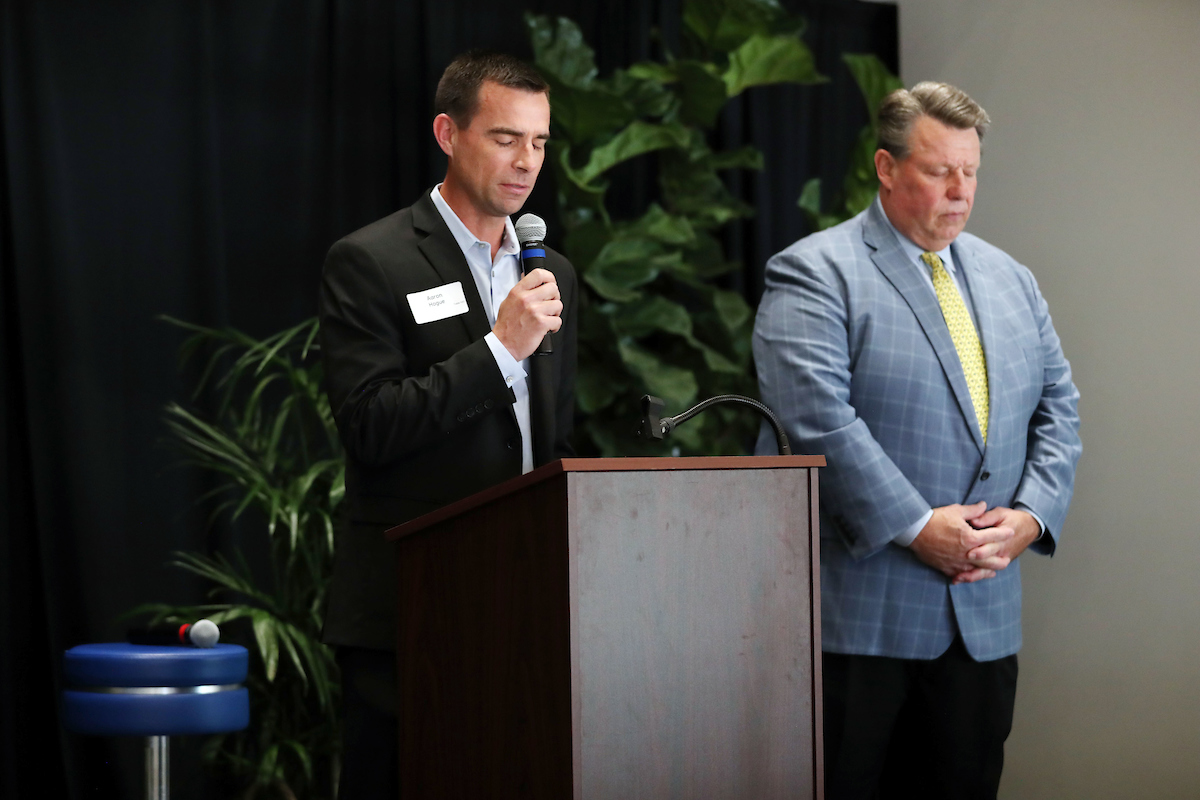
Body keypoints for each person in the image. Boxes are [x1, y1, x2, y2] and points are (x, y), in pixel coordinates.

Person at [753, 82, 1081, 798]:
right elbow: (815, 417)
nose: (960, 191)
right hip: (859, 626)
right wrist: (915, 526)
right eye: (939, 171)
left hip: (984, 618)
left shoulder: (1011, 279)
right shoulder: (814, 271)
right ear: (886, 166)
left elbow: (1060, 407)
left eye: (971, 172)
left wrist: (1029, 518)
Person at [318, 51, 576, 798]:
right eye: (504, 138)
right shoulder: (372, 260)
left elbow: (551, 439)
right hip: (411, 611)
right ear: (448, 132)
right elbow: (370, 425)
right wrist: (501, 350)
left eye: (539, 142)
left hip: (524, 603)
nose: (526, 162)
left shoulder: (551, 270)